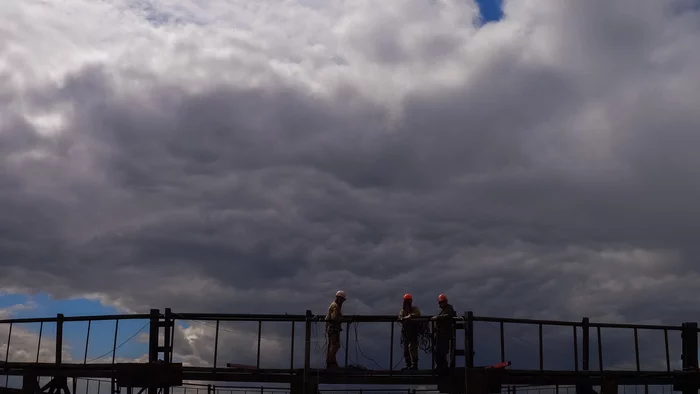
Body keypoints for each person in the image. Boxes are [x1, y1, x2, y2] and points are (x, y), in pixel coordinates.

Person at [430, 293, 456, 371]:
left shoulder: (449, 308)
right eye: (440, 302)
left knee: (443, 351)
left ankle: (443, 365)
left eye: (442, 302)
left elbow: (448, 315)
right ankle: (438, 365)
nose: (441, 303)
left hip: (444, 334)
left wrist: (437, 317)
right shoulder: (442, 310)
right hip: (439, 333)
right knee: (436, 350)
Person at [398, 293, 421, 370]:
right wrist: (403, 318)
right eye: (406, 301)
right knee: (406, 349)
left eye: (408, 301)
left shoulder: (414, 309)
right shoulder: (403, 311)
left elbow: (417, 314)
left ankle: (414, 365)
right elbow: (400, 317)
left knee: (412, 347)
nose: (407, 302)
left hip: (413, 332)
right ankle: (408, 364)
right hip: (406, 332)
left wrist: (409, 316)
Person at [325, 290, 346, 369]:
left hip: (332, 328)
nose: (342, 302)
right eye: (342, 300)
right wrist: (342, 318)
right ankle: (331, 362)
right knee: (335, 345)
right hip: (333, 328)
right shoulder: (335, 306)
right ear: (339, 298)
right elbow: (334, 318)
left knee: (332, 345)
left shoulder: (334, 305)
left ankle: (330, 362)